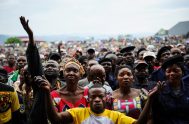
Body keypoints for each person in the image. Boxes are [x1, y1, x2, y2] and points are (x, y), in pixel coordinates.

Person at [34, 77, 148, 124]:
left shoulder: (115, 116)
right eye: (93, 97)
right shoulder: (78, 113)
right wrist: (47, 92)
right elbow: (54, 119)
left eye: (100, 96)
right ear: (88, 99)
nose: (97, 99)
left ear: (106, 98)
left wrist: (150, 100)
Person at [150, 55, 189, 123]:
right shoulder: (159, 90)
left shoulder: (187, 88)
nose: (172, 73)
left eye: (175, 70)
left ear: (182, 72)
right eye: (168, 71)